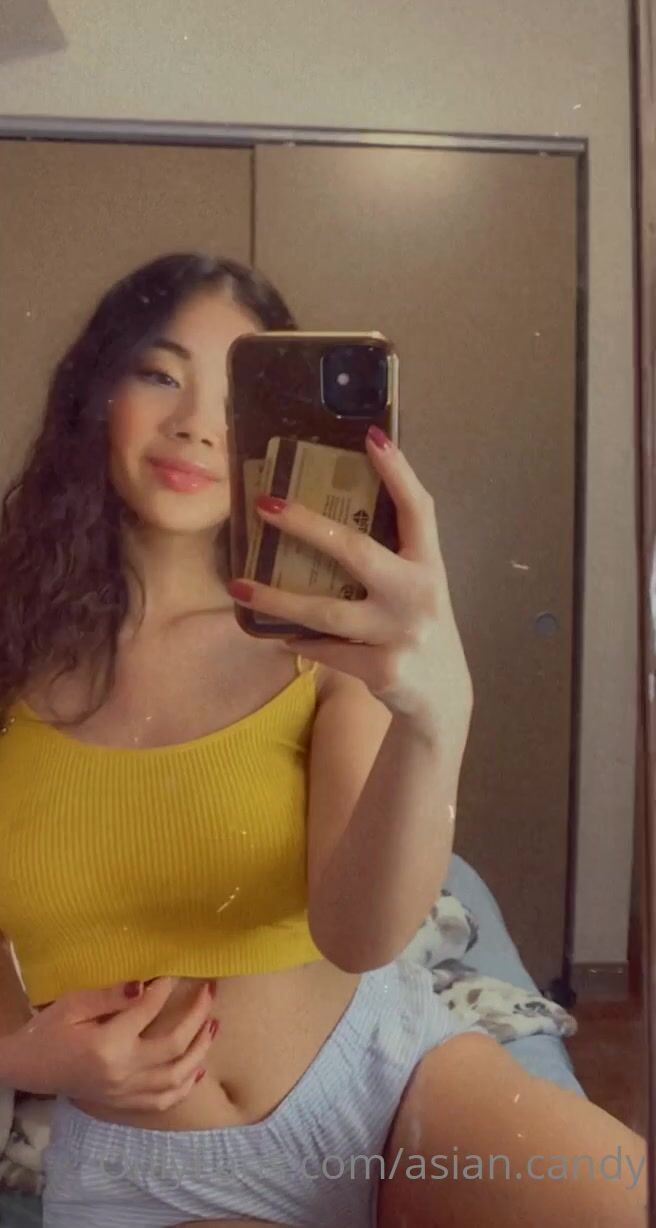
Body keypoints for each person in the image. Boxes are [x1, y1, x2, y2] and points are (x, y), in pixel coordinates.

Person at [0, 253, 646, 1228]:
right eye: (160, 373)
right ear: (96, 393)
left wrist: (435, 711)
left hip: (381, 1078)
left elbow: (360, 933)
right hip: (153, 1174)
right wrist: (20, 1053)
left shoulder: (316, 639)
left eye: (236, 397)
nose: (197, 424)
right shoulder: (12, 650)